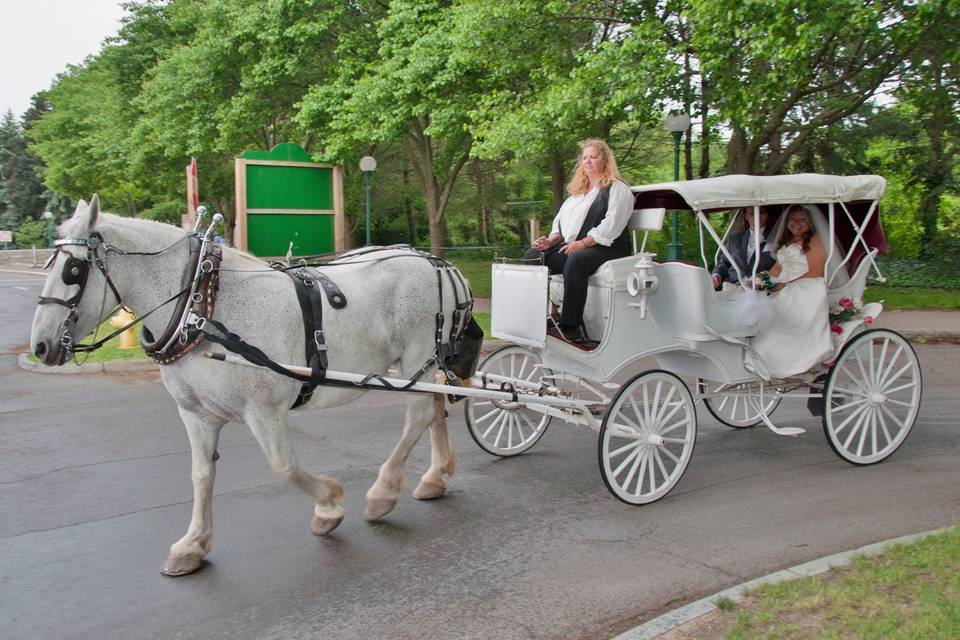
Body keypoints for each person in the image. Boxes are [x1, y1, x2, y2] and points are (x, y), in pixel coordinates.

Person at [524, 139, 634, 344]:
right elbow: (561, 225)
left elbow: (611, 226)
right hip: (576, 247)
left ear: (605, 160)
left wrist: (582, 244)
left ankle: (571, 325)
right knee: (533, 257)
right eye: (585, 157)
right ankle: (548, 313)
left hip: (608, 248)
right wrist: (549, 242)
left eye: (594, 156)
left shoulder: (617, 189)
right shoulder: (577, 194)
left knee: (577, 261)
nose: (588, 161)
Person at [750, 205, 833, 378]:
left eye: (802, 219)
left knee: (778, 310)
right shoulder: (786, 242)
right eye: (793, 218)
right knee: (754, 304)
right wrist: (763, 281)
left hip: (806, 286)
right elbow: (778, 268)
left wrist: (784, 285)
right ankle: (757, 356)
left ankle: (779, 361)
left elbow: (815, 272)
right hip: (784, 284)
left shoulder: (814, 241)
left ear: (810, 223)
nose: (797, 223)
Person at [711, 207, 775, 294]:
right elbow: (724, 262)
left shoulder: (776, 237)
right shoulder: (734, 239)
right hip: (733, 286)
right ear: (746, 216)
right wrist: (717, 274)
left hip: (760, 290)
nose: (758, 215)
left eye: (761, 212)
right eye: (753, 213)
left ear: (766, 215)